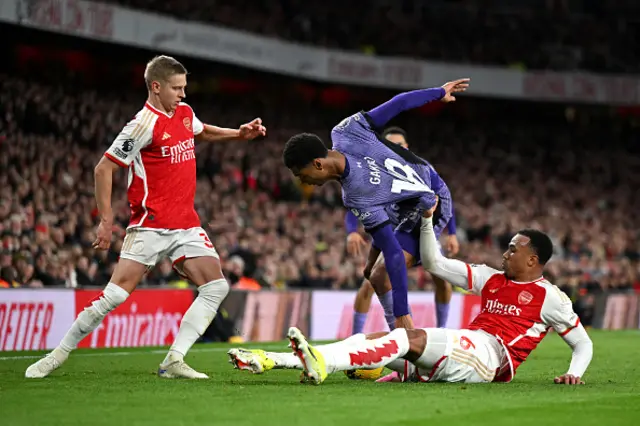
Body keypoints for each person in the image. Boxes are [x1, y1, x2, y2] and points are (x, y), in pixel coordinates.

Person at [25, 55, 266, 379]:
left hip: (185, 223)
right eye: (176, 88)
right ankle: (56, 355)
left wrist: (238, 133)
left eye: (184, 87)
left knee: (215, 286)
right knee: (114, 296)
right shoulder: (142, 125)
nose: (182, 94)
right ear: (156, 87)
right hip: (150, 224)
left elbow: (201, 131)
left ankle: (173, 360)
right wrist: (106, 221)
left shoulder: (184, 113)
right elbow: (104, 167)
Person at [227, 202, 593, 385]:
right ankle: (277, 360)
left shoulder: (551, 297)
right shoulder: (490, 277)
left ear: (533, 260)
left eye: (513, 249)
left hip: (491, 358)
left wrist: (573, 373)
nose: (506, 252)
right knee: (376, 338)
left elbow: (583, 343)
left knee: (407, 337)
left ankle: (321, 365)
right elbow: (434, 263)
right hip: (467, 346)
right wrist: (428, 220)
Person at [283, 79, 469, 329]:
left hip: (432, 201)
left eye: (301, 175)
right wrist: (370, 263)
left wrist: (437, 93)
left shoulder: (348, 134)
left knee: (394, 276)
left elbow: (399, 103)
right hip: (402, 209)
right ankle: (402, 346)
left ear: (317, 164)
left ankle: (408, 336)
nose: (303, 182)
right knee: (376, 276)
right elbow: (384, 240)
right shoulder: (352, 185)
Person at [345, 127, 459, 335]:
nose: (394, 148)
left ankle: (442, 330)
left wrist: (451, 233)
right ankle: (356, 338)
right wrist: (352, 230)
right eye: (389, 144)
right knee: (370, 282)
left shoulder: (420, 167)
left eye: (399, 145)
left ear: (407, 147)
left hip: (418, 231)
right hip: (389, 231)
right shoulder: (374, 170)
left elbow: (442, 198)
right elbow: (357, 202)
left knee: (442, 279)